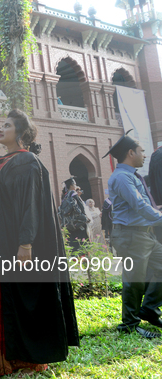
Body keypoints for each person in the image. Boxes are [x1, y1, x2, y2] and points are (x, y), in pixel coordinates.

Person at [0, 110, 79, 376]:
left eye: (7, 125)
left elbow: (31, 207)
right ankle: (2, 357)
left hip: (19, 244)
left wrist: (26, 245)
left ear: (21, 134)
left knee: (24, 299)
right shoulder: (2, 163)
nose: (1, 129)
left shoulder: (27, 163)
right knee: (4, 297)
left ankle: (26, 359)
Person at [106, 131, 162, 339]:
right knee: (134, 280)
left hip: (143, 235)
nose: (145, 155)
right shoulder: (122, 177)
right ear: (131, 153)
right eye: (142, 151)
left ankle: (148, 309)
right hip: (130, 235)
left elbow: (142, 205)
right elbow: (138, 205)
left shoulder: (129, 176)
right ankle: (129, 324)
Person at [60, 178, 89, 254]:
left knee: (74, 245)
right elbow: (81, 208)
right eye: (75, 184)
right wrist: (85, 217)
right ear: (71, 185)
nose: (76, 186)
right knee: (83, 244)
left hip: (70, 224)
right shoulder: (73, 194)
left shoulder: (64, 196)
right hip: (79, 224)